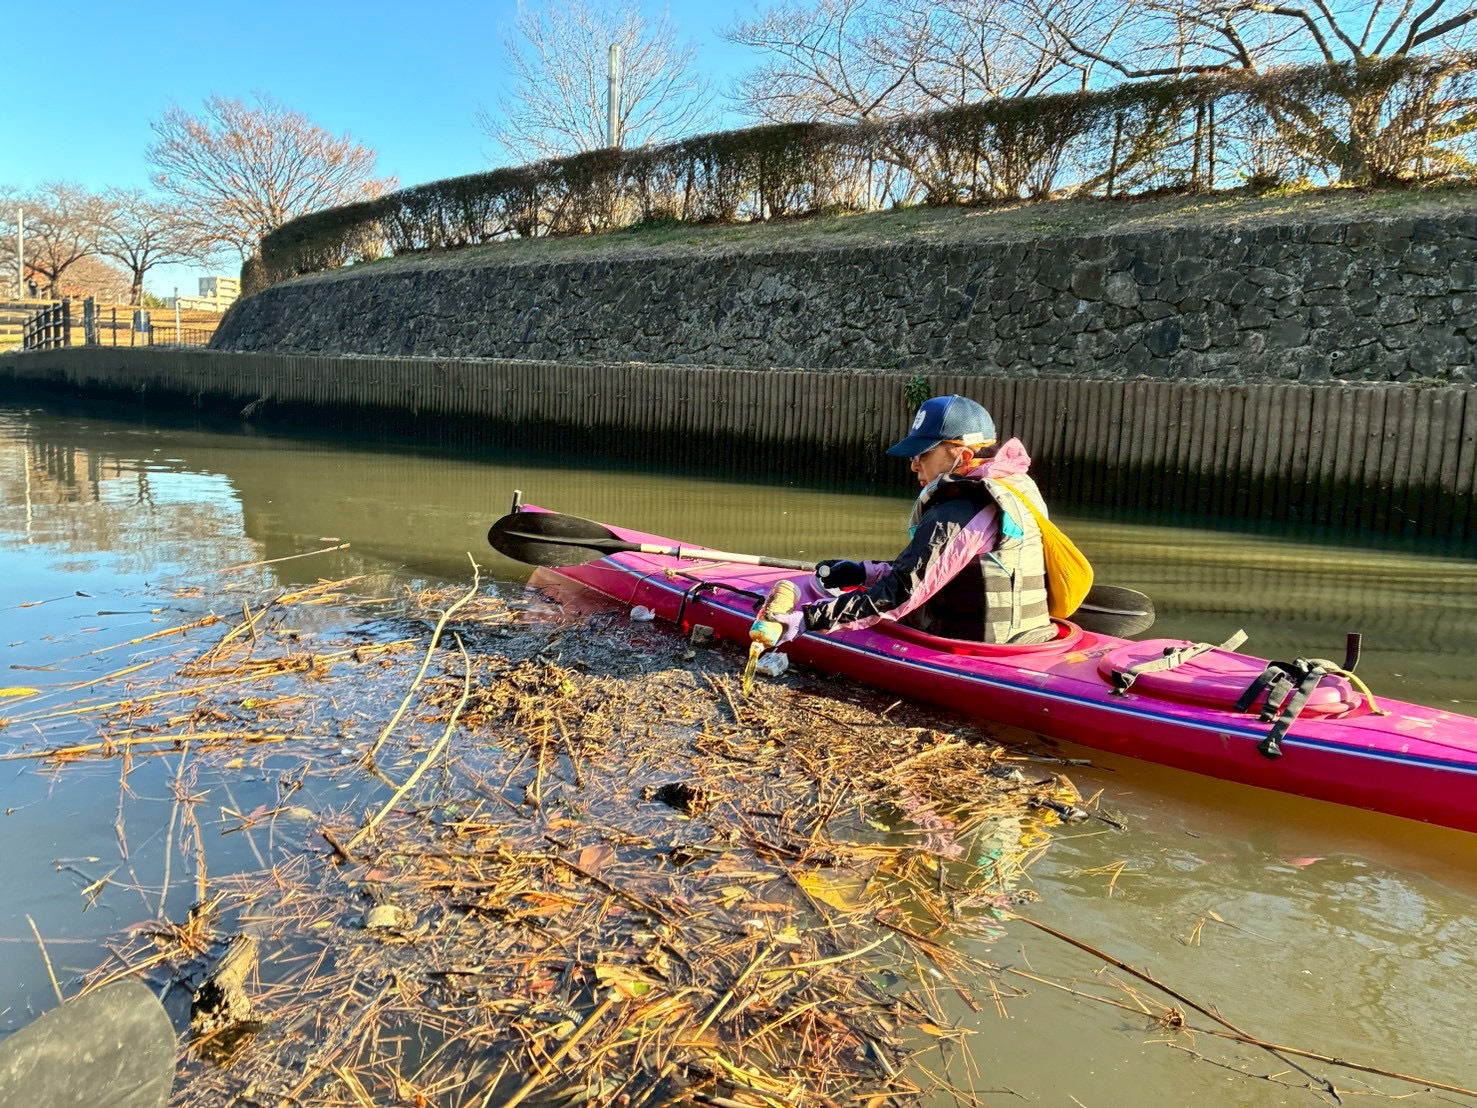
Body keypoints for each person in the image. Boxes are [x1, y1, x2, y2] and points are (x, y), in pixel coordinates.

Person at [769, 394, 1056, 646]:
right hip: (1026, 633)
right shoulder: (1013, 484)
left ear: (964, 455)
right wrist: (862, 573)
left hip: (975, 646)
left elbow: (901, 592)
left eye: (924, 453)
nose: (913, 464)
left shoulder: (960, 510)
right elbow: (935, 569)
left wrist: (808, 619)